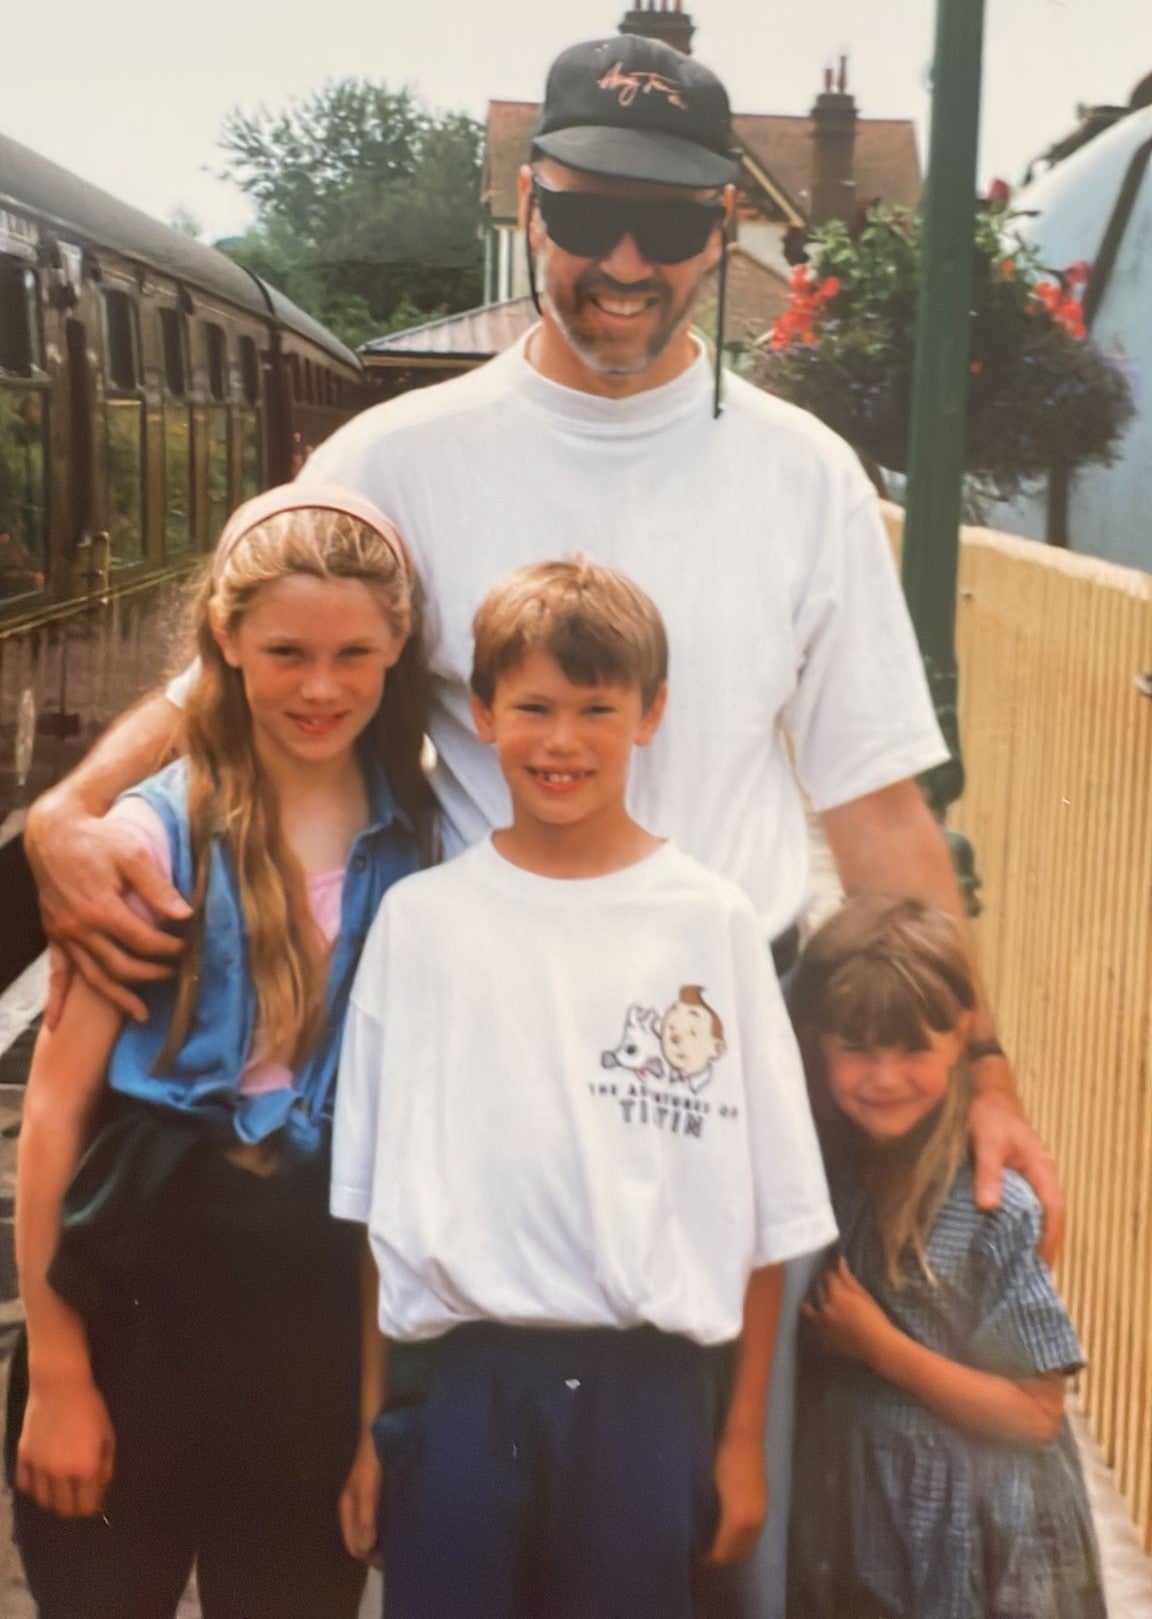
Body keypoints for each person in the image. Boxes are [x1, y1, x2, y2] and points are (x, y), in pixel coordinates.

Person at [21, 33, 1062, 1615]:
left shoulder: (806, 476)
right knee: (459, 1513)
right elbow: (245, 656)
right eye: (586, 218)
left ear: (724, 228)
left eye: (668, 222)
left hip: (711, 1060)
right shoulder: (399, 453)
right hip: (479, 1069)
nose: (625, 262)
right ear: (531, 201)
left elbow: (880, 812)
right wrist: (70, 805)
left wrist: (982, 1061)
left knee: (713, 1532)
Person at [331, 559, 837, 1619]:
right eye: (534, 708)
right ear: (481, 713)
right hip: (460, 1390)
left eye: (597, 709)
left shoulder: (712, 923)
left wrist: (739, 1442)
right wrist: (374, 1431)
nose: (562, 741)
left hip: (645, 1401)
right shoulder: (424, 924)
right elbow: (379, 1211)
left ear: (650, 714)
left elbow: (771, 1216)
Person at [7, 486, 432, 1619]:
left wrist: (375, 1420)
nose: (321, 685)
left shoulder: (422, 859)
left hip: (310, 1313)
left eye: (355, 652)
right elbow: (51, 1117)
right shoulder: (151, 836)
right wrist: (56, 1370)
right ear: (226, 643)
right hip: (131, 1295)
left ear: (398, 649)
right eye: (286, 650)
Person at [787, 895, 1105, 1619]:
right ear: (817, 1042)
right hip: (864, 1526)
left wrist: (878, 1346)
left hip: (980, 1543)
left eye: (913, 1049)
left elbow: (1034, 1411)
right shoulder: (830, 1176)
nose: (885, 1077)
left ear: (962, 1035)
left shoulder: (992, 1207)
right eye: (857, 1048)